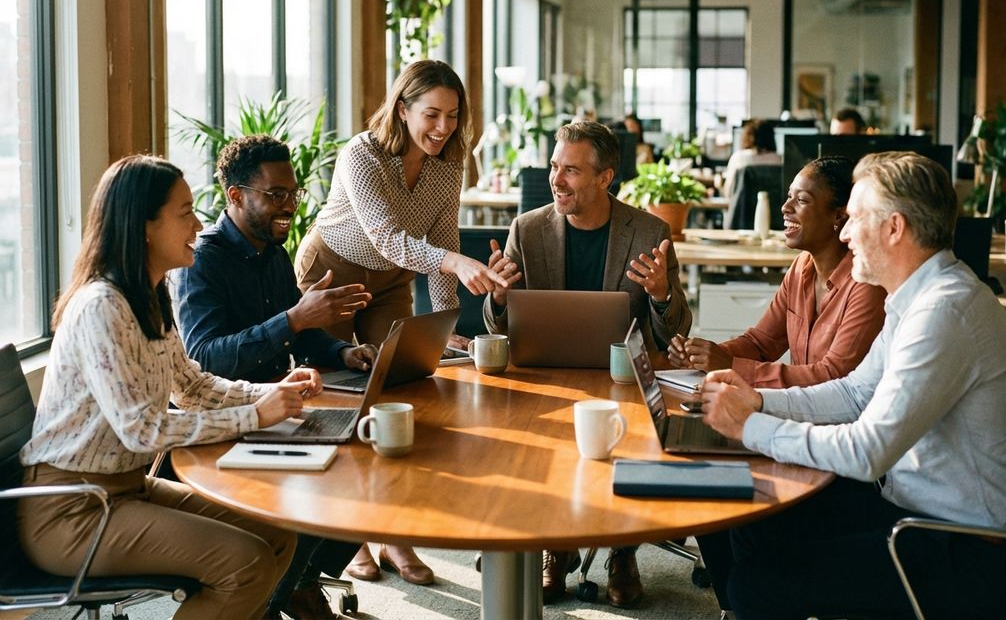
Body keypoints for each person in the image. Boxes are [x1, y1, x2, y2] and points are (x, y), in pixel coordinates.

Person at [698, 152, 1006, 619]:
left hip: (968, 545)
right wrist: (759, 400)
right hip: (911, 508)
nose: (846, 235)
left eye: (854, 219)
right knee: (752, 516)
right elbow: (853, 393)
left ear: (894, 228)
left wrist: (751, 427)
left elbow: (867, 451)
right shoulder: (915, 298)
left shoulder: (943, 312)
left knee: (758, 584)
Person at [17, 154, 313, 620]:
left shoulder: (149, 296)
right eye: (184, 212)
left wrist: (270, 394)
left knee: (277, 534)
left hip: (127, 488)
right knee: (246, 563)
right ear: (145, 227)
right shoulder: (102, 307)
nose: (198, 223)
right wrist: (256, 415)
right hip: (72, 510)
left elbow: (191, 385)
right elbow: (142, 431)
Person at [294, 59, 507, 584]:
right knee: (340, 399)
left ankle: (393, 534)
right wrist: (452, 264)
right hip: (332, 272)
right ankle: (350, 538)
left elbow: (443, 241)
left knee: (398, 392)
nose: (443, 128)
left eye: (453, 116)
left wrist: (444, 320)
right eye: (432, 114)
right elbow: (389, 235)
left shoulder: (446, 166)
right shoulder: (363, 154)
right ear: (403, 108)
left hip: (390, 278)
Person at [483, 120, 691, 607]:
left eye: (571, 170)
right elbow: (499, 330)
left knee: (632, 443)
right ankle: (556, 547)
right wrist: (497, 298)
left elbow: (674, 333)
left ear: (605, 178)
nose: (556, 179)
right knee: (536, 444)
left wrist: (661, 293)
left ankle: (623, 551)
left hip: (622, 376)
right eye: (555, 166)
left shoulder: (649, 231)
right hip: (546, 372)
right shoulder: (527, 229)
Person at [667, 155, 887, 610]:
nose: (786, 208)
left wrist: (732, 366)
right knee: (705, 474)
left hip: (835, 440)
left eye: (801, 199)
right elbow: (761, 341)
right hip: (793, 416)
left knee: (731, 492)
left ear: (839, 216)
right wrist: (703, 354)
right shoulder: (803, 268)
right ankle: (736, 600)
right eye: (787, 196)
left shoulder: (865, 286)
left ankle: (756, 593)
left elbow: (836, 378)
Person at [171, 135, 376, 620]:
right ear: (237, 196)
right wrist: (294, 319)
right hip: (218, 424)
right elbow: (204, 358)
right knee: (334, 476)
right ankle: (276, 597)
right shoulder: (201, 260)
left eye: (293, 193)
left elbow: (300, 339)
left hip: (269, 409)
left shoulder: (272, 252)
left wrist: (346, 352)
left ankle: (297, 581)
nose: (288, 205)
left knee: (368, 464)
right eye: (275, 195)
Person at [722, 119, 782, 197]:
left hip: (744, 208)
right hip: (775, 209)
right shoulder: (780, 160)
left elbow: (729, 193)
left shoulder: (738, 157)